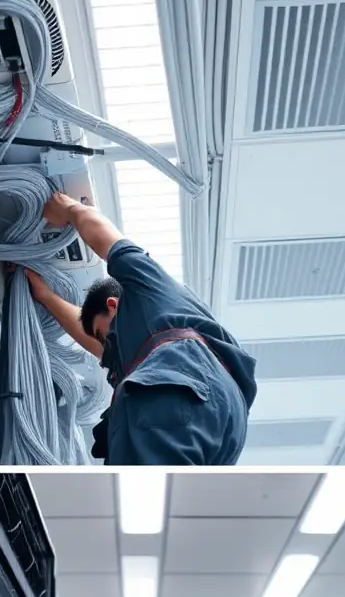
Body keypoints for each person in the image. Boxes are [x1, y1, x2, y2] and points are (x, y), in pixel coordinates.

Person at [25, 192, 257, 465]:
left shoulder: (152, 290)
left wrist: (70, 208)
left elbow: (114, 244)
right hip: (228, 423)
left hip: (187, 389)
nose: (104, 347)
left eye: (103, 334)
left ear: (113, 305)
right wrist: (45, 296)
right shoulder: (146, 340)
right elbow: (93, 338)